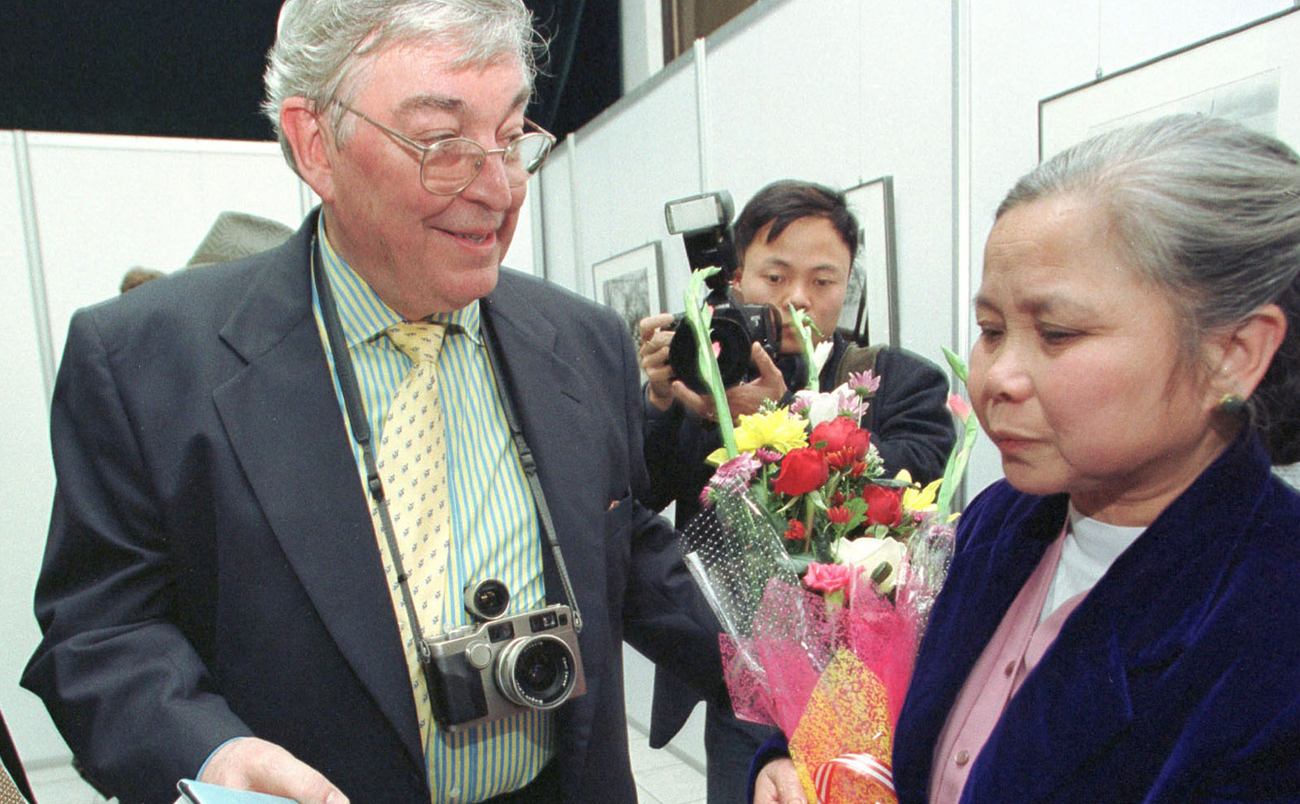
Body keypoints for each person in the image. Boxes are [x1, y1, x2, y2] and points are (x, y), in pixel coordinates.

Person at [21, 2, 724, 803]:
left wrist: (780, 687)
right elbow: (100, 635)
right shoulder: (145, 363)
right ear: (315, 142)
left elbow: (621, 545)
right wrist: (210, 754)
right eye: (442, 143)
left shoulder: (583, 340)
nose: (497, 189)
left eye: (511, 136)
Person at [754, 114, 1300, 803]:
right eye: (990, 330)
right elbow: (900, 691)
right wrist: (799, 758)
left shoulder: (1271, 623)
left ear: (1233, 354)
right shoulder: (1004, 520)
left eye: (1058, 333)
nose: (996, 378)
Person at [638, 180, 956, 804]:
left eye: (823, 280)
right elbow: (638, 492)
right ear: (734, 280)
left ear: (849, 285)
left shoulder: (902, 383)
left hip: (868, 685)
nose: (796, 301)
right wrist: (659, 403)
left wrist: (777, 416)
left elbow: (908, 484)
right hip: (745, 685)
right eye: (774, 277)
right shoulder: (700, 384)